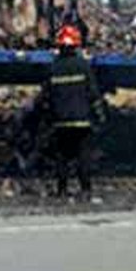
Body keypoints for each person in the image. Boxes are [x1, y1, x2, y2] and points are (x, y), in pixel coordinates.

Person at [38, 24, 106, 198]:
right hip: (82, 120)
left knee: (62, 157)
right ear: (76, 45)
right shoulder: (83, 65)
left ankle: (62, 189)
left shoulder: (52, 68)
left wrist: (46, 119)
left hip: (60, 121)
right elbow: (93, 93)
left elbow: (45, 97)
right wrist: (100, 115)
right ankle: (86, 190)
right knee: (83, 156)